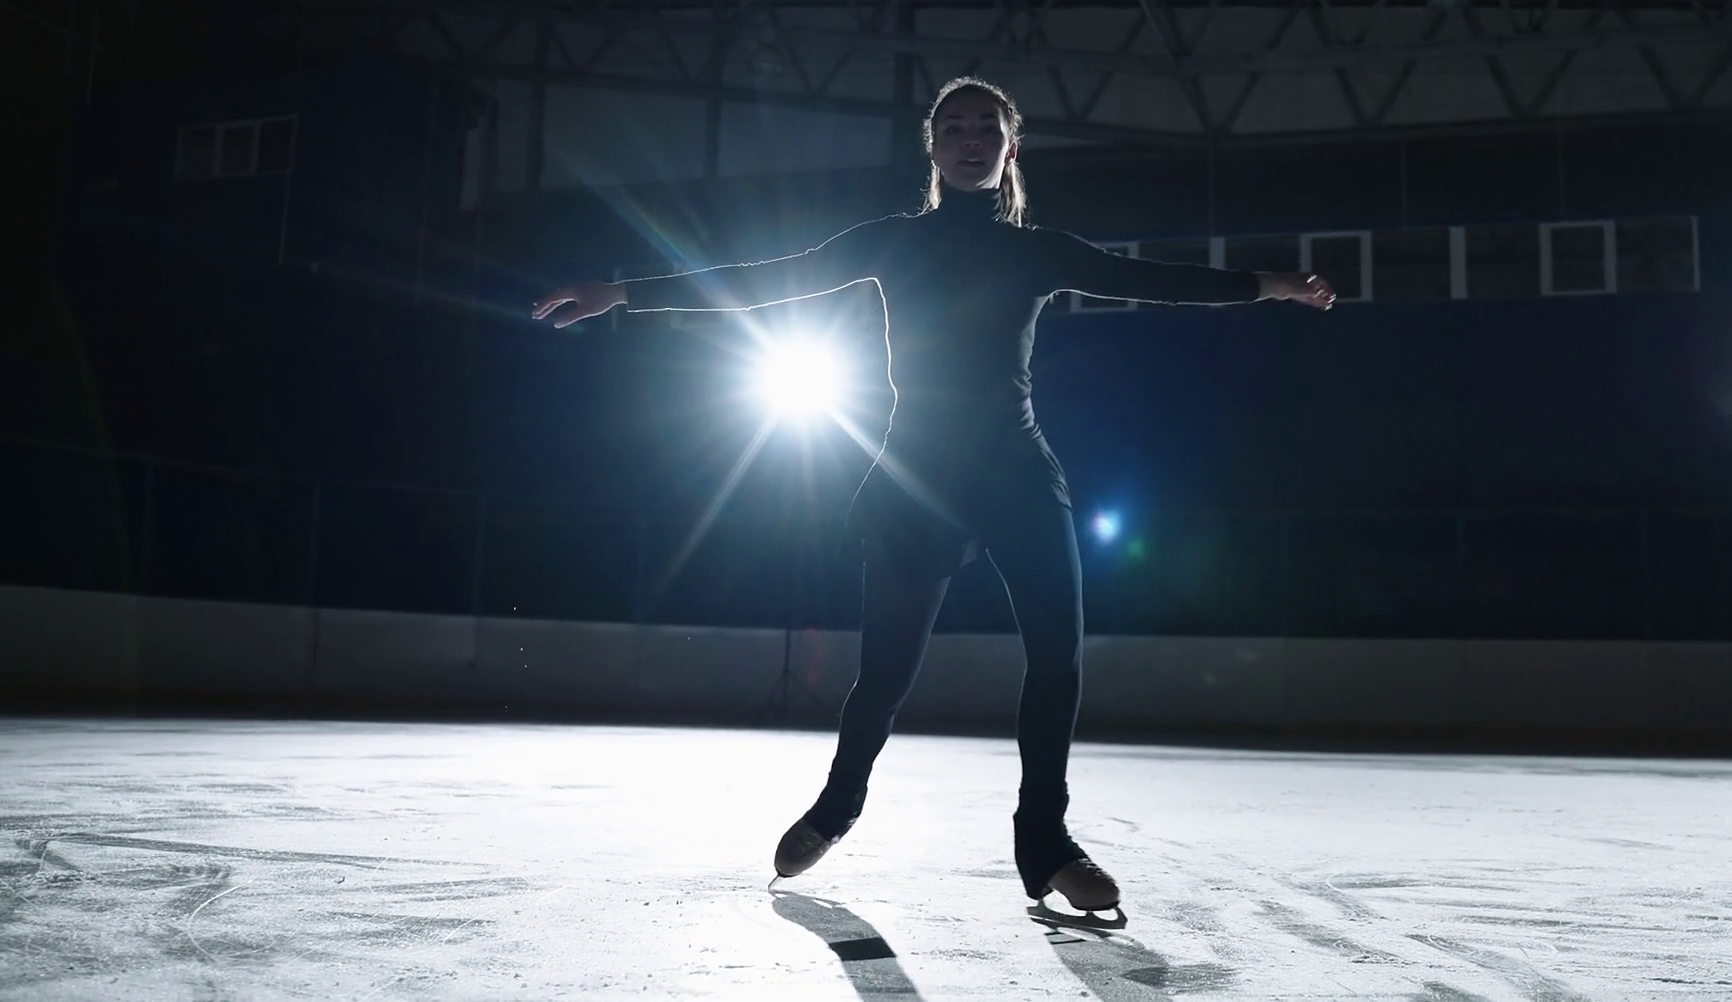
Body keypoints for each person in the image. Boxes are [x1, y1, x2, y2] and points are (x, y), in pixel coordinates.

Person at [532, 77, 1335, 913]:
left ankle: (1046, 845)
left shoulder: (1037, 250)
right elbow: (770, 278)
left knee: (1057, 656)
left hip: (1016, 469)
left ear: (1008, 148)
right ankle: (840, 804)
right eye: (953, 126)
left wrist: (1264, 285)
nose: (969, 138)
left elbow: (1150, 278)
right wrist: (624, 292)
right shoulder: (892, 242)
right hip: (917, 481)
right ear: (933, 148)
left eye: (985, 127)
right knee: (884, 674)